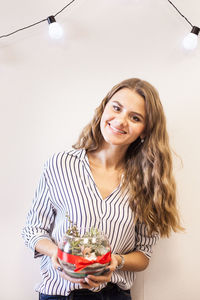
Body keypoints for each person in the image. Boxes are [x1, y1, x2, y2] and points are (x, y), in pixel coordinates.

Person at [22, 78, 183, 300]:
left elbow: (144, 254)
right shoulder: (60, 164)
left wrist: (116, 260)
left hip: (114, 295)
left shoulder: (148, 182)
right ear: (104, 107)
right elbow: (33, 230)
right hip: (60, 294)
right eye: (116, 108)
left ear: (145, 131)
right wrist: (57, 254)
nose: (121, 121)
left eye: (135, 118)